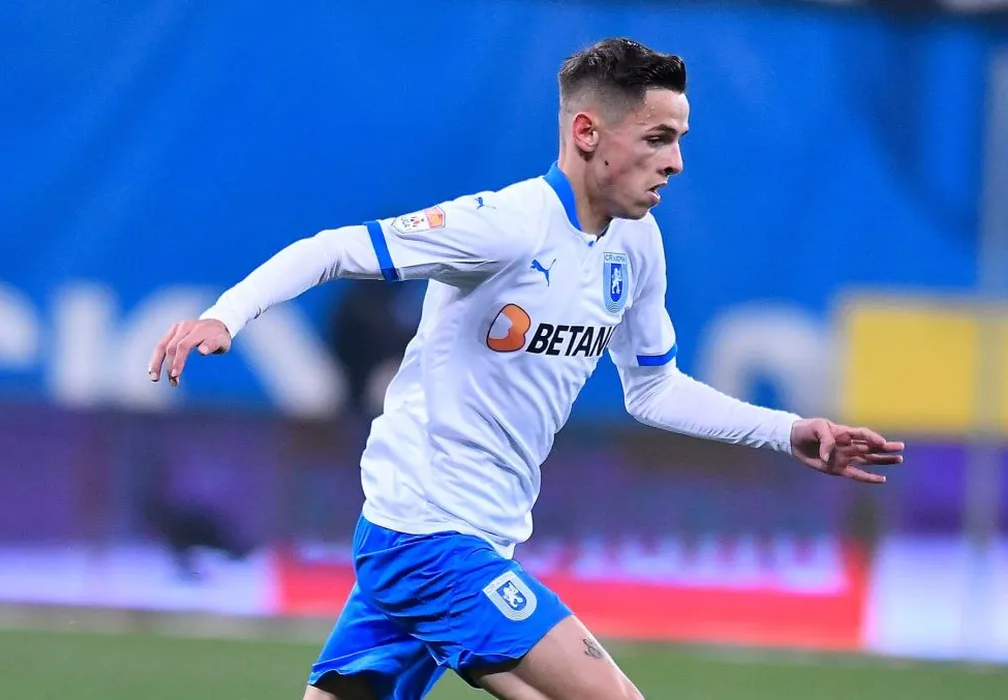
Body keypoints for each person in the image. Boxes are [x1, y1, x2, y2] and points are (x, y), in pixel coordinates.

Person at [148, 37, 904, 700]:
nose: (675, 161)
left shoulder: (636, 245)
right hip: (428, 539)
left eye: (678, 140)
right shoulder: (506, 226)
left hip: (466, 539)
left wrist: (787, 431)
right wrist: (225, 315)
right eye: (657, 138)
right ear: (586, 132)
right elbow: (335, 248)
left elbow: (652, 388)